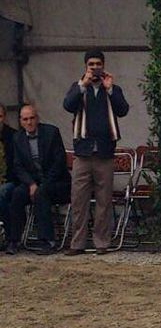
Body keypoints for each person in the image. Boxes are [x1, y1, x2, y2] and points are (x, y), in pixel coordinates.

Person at [61, 49, 130, 255]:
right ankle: (78, 243)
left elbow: (123, 110)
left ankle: (101, 242)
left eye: (98, 64)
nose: (94, 68)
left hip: (105, 153)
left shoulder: (113, 88)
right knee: (79, 200)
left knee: (103, 200)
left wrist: (109, 89)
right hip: (82, 153)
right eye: (91, 64)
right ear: (85, 67)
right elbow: (67, 105)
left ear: (103, 65)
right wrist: (82, 85)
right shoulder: (78, 87)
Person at [7, 104, 70, 254]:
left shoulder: (51, 132)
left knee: (42, 193)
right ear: (21, 121)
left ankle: (47, 240)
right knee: (17, 194)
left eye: (32, 118)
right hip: (33, 182)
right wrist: (31, 183)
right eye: (25, 119)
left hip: (57, 182)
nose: (29, 122)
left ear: (37, 118)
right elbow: (18, 166)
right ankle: (13, 240)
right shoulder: (18, 138)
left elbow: (59, 162)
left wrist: (43, 184)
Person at [0, 105, 17, 249]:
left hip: (10, 180)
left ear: (4, 117)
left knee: (2, 193)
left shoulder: (13, 136)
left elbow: (18, 165)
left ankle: (11, 237)